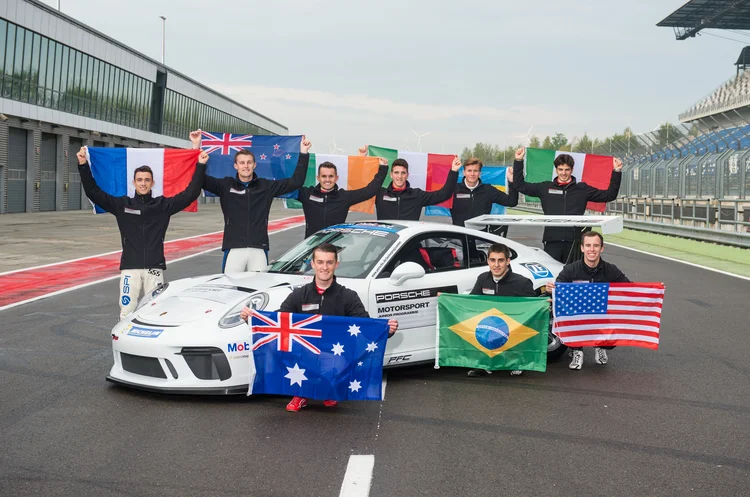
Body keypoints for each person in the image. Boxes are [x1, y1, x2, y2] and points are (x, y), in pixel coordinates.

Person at [240, 243, 398, 412]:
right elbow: (278, 320)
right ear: (313, 264)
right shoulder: (299, 295)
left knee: (337, 361)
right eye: (320, 262)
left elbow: (365, 326)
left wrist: (385, 330)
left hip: (335, 355)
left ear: (336, 265)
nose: (325, 267)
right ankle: (300, 393)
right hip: (304, 355)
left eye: (329, 262)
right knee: (286, 348)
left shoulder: (348, 296)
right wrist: (252, 319)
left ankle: (330, 390)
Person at [77, 145, 208, 320]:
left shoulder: (163, 205)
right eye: (139, 180)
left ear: (152, 183)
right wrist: (83, 165)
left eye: (147, 180)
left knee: (157, 312)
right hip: (130, 268)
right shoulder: (123, 205)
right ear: (134, 182)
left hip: (154, 268)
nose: (143, 183)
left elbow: (191, 193)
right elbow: (93, 192)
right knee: (126, 312)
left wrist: (200, 165)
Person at [190, 130, 311, 272]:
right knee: (231, 288)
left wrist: (303, 153)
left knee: (259, 287)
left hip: (259, 247)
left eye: (249, 163)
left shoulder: (266, 186)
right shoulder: (225, 185)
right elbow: (198, 179)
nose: (245, 166)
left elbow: (296, 182)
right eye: (242, 163)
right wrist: (195, 147)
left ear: (254, 165)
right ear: (236, 166)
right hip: (233, 247)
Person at [512, 148, 623, 263]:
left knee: (573, 278)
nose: (563, 173)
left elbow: (609, 195)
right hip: (552, 241)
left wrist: (617, 171)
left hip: (574, 242)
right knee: (553, 277)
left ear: (572, 170)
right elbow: (520, 185)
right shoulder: (545, 188)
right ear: (556, 170)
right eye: (560, 169)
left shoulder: (582, 189)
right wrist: (518, 161)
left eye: (567, 170)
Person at [546, 231, 630, 370]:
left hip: (601, 314)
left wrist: (652, 290)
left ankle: (600, 345)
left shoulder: (611, 270)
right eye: (588, 245)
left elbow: (630, 288)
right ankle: (577, 350)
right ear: (582, 248)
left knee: (612, 335)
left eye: (596, 246)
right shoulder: (570, 269)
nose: (592, 249)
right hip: (577, 315)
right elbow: (558, 288)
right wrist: (551, 291)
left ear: (601, 248)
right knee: (563, 314)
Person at [467, 242, 537, 378]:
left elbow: (534, 308)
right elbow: (472, 302)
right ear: (488, 261)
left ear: (508, 261)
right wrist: (447, 298)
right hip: (491, 325)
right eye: (492, 260)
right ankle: (484, 363)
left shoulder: (522, 283)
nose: (496, 265)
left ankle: (516, 361)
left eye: (501, 260)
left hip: (513, 328)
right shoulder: (483, 279)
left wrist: (544, 302)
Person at [294, 157, 389, 237]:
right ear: (318, 178)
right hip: (310, 247)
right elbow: (289, 183)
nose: (327, 180)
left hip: (334, 248)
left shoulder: (344, 197)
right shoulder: (306, 194)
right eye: (324, 176)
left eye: (331, 176)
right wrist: (303, 153)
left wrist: (383, 169)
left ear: (336, 178)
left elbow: (369, 191)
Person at [375, 155, 460, 221]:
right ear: (391, 175)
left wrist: (454, 171)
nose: (399, 176)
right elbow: (363, 190)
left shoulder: (417, 195)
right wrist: (362, 157)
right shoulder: (380, 194)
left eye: (403, 173)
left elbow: (444, 194)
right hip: (387, 241)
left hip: (408, 241)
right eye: (396, 173)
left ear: (407, 175)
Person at [451, 158, 518, 227]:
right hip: (459, 234)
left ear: (480, 173)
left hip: (481, 234)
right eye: (469, 171)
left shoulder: (488, 190)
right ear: (464, 173)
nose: (472, 174)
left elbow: (512, 202)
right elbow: (441, 196)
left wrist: (512, 182)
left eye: (475, 171)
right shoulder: (454, 189)